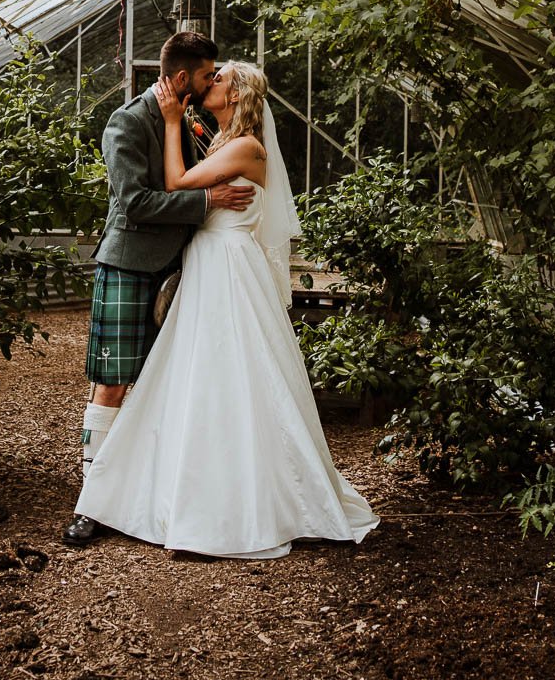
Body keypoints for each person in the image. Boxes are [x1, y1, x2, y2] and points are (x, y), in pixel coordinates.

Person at [71, 62, 379, 559]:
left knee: (231, 377)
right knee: (198, 378)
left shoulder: (244, 146)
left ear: (236, 96)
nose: (208, 84)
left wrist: (172, 121)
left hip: (227, 269)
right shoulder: (220, 139)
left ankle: (232, 504)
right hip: (207, 266)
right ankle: (135, 489)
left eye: (218, 79)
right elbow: (184, 191)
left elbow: (175, 181)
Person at [62, 32, 255, 547]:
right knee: (113, 384)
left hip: (179, 270)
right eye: (206, 75)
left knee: (159, 388)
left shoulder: (191, 122)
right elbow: (135, 204)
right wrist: (207, 202)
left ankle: (143, 491)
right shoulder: (125, 122)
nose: (213, 82)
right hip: (129, 268)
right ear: (179, 79)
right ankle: (91, 502)